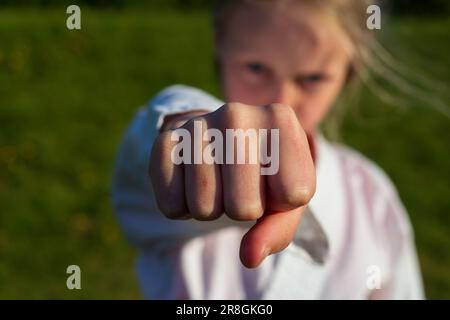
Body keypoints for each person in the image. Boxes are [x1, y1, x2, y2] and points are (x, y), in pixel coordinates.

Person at [112, 0, 424, 299]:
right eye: (256, 68)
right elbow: (146, 163)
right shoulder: (176, 173)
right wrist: (189, 132)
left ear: (350, 71)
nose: (281, 102)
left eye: (313, 78)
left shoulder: (373, 198)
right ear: (219, 44)